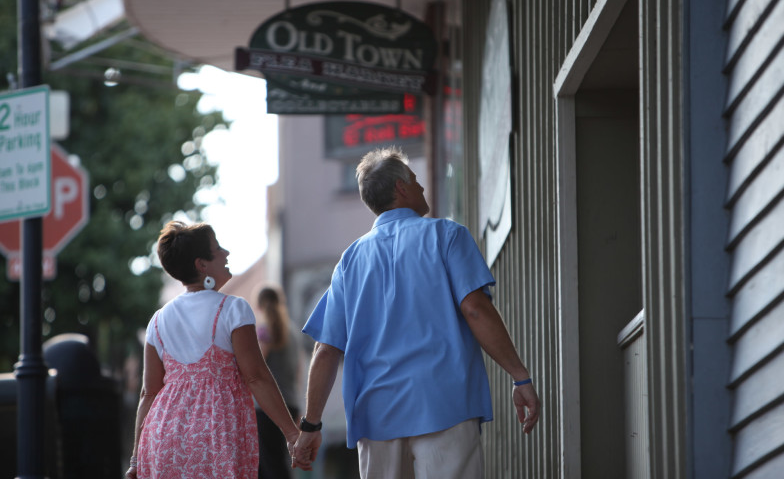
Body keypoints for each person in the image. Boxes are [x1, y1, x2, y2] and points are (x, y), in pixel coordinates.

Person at [293, 146, 541, 478]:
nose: (421, 186)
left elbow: (325, 349)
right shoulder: (448, 236)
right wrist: (519, 375)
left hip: (375, 415)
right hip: (444, 405)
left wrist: (310, 424)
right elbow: (475, 310)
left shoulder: (350, 261)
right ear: (400, 188)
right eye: (414, 179)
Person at [125, 221, 306, 478]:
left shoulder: (158, 320)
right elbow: (256, 376)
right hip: (216, 435)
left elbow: (148, 393)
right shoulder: (233, 309)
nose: (226, 254)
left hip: (164, 437)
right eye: (218, 248)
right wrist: (291, 434)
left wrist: (135, 460)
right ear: (202, 264)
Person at [253, 285, 303, 479]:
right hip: (290, 405)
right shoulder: (293, 332)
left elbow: (256, 366)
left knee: (268, 465)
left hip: (268, 407)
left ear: (259, 305)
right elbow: (298, 372)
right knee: (279, 462)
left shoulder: (265, 330)